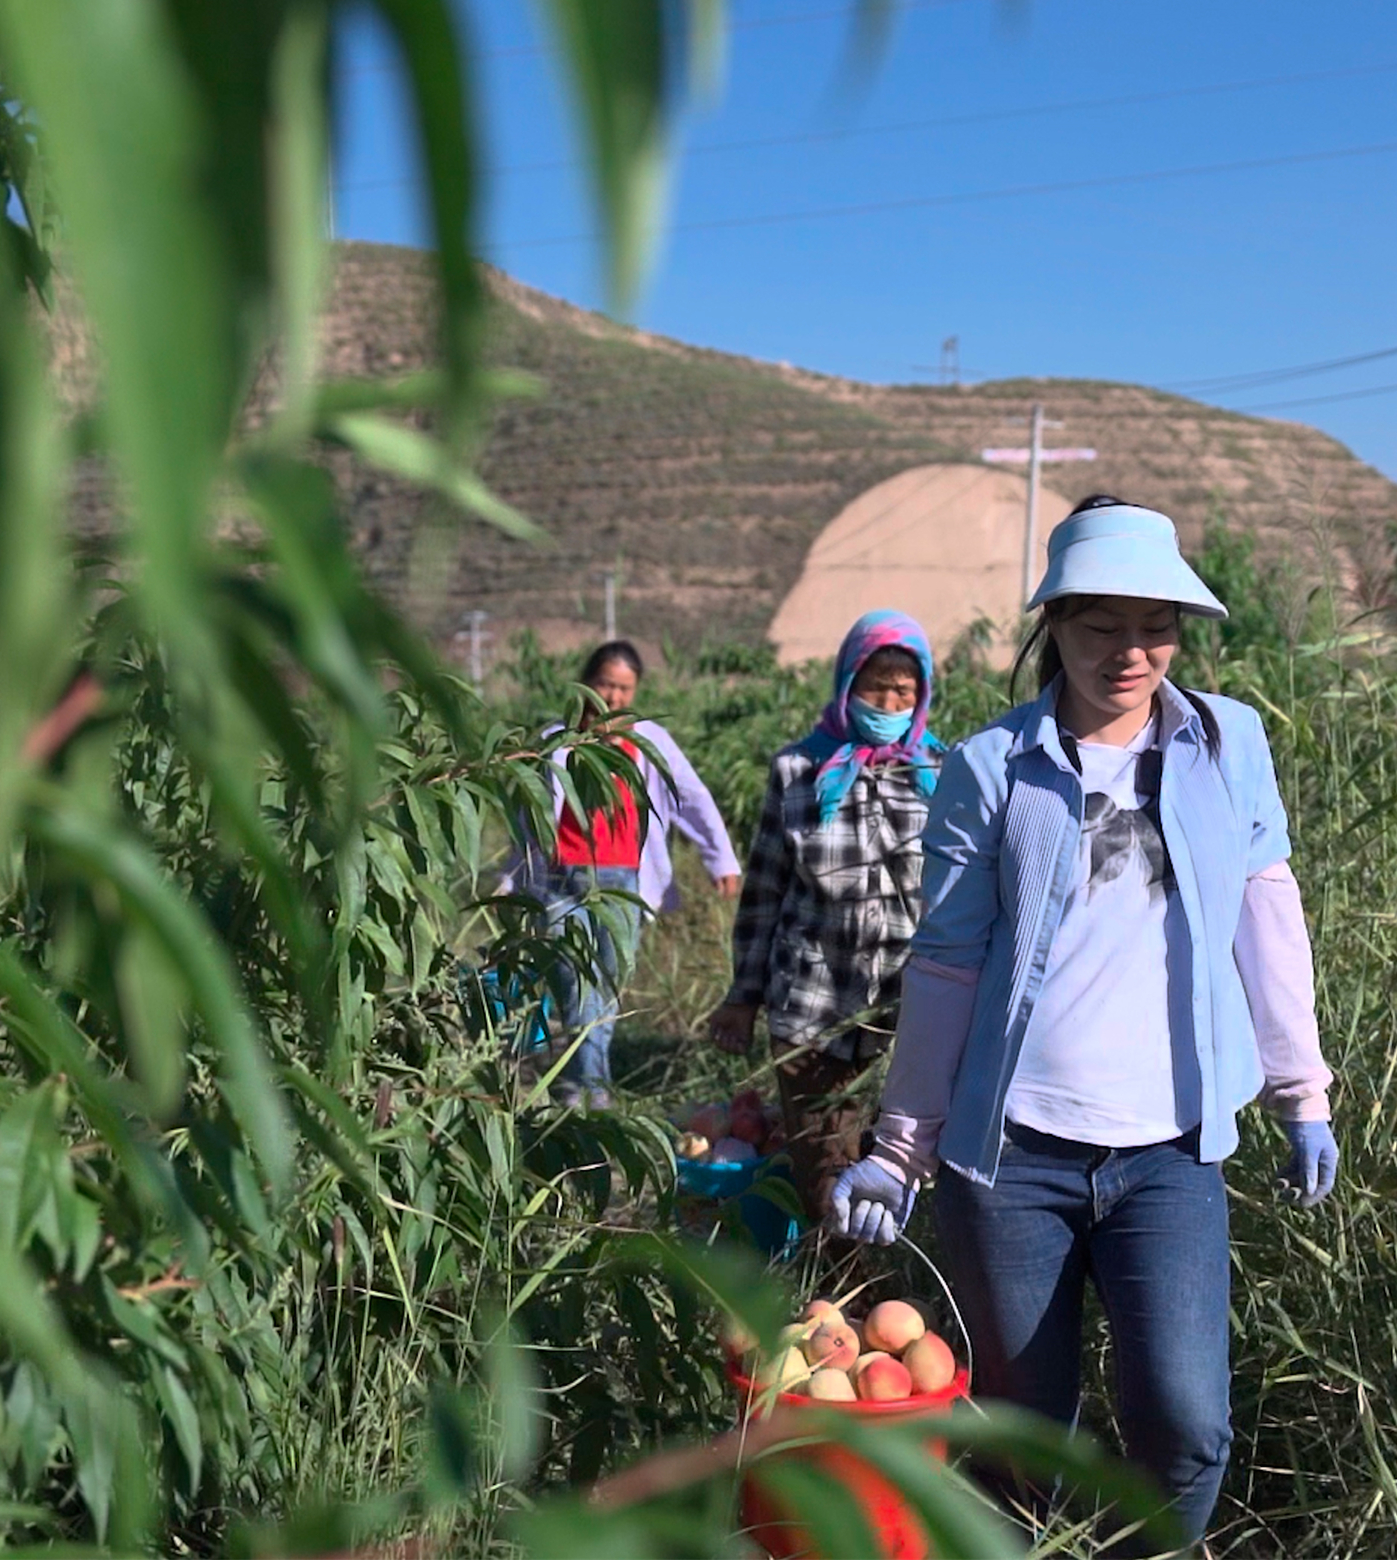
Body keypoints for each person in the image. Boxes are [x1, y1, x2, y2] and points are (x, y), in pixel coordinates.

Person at [825, 498, 1342, 1551]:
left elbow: (1265, 912)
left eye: (1155, 625)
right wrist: (899, 1145)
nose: (1131, 651)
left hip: (1170, 1149)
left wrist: (1303, 1092)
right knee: (1020, 1438)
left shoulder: (1225, 741)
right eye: (1101, 623)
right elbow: (947, 962)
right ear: (1053, 622)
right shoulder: (990, 766)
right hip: (1012, 1154)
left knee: (1188, 1425)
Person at [708, 611, 948, 1222]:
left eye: (904, 691)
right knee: (829, 1175)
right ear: (847, 685)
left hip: (905, 1019)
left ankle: (884, 1291)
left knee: (893, 1165)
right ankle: (840, 1304)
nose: (889, 701)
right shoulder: (799, 771)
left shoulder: (941, 776)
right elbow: (763, 892)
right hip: (811, 1007)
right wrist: (744, 995)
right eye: (876, 687)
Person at [507, 640, 742, 1109]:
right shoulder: (556, 739)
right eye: (604, 684)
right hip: (561, 880)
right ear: (585, 683)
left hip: (622, 881)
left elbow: (690, 796)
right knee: (577, 986)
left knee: (608, 987)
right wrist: (513, 872)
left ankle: (580, 1088)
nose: (612, 697)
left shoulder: (647, 740)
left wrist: (721, 858)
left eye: (623, 688)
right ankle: (589, 1091)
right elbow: (525, 811)